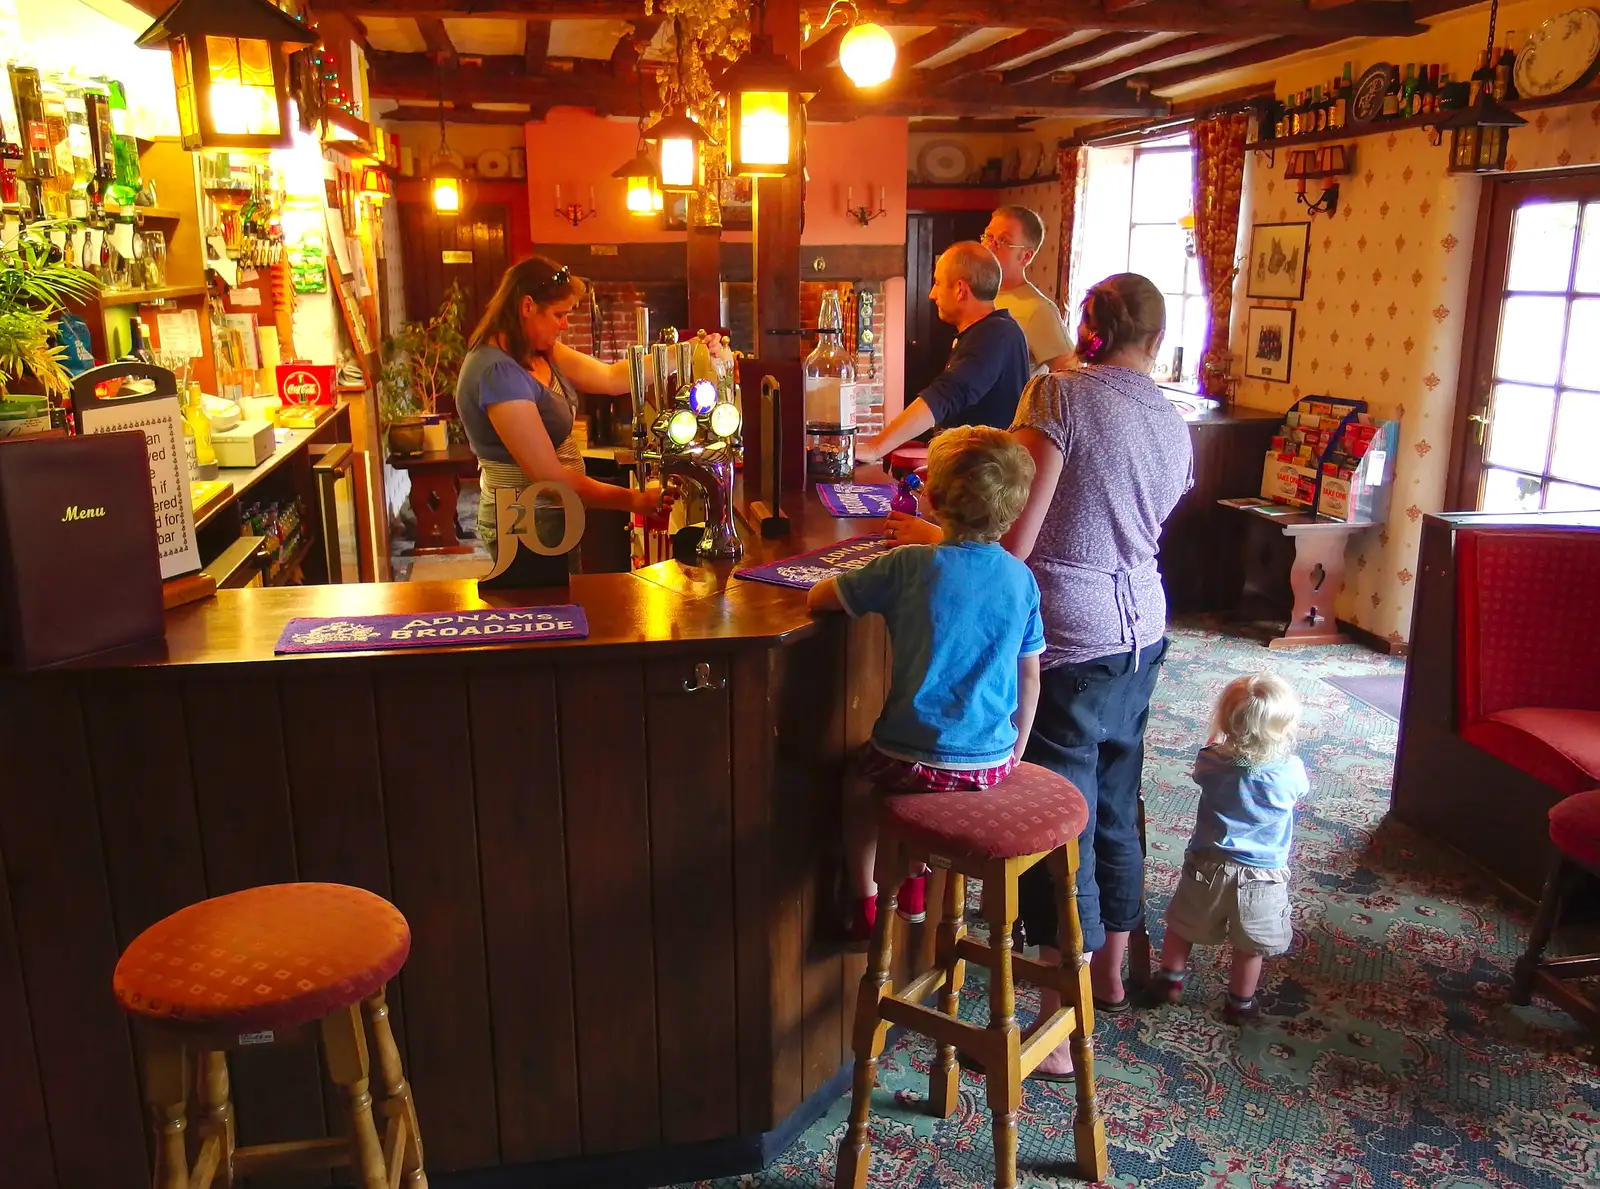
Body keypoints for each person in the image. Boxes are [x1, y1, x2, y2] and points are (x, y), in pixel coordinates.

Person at [996, 272, 1194, 1079]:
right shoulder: (1175, 420)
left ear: (1091, 325)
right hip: (1143, 624)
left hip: (1068, 635)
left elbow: (1020, 526)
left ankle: (1053, 1019)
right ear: (1155, 336)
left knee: (1055, 821)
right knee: (1115, 802)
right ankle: (1110, 971)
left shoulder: (1058, 396)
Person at [806, 426, 1044, 944]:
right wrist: (1014, 752)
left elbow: (821, 599)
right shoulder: (1021, 579)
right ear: (1016, 507)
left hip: (908, 758)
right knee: (931, 791)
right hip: (993, 761)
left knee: (858, 784)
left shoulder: (910, 564)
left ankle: (867, 896)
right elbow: (1030, 679)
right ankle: (915, 880)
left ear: (931, 500)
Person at [455, 256, 667, 554]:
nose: (565, 325)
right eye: (558, 315)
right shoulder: (498, 374)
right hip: (524, 520)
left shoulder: (539, 350)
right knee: (542, 600)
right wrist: (634, 499)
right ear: (527, 307)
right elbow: (549, 478)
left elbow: (610, 378)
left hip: (553, 512)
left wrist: (681, 354)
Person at [1152, 673, 1308, 1024]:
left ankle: (1170, 981)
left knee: (1183, 924)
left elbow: (1206, 760)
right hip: (1263, 875)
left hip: (1207, 864)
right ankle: (1240, 1003)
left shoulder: (1211, 761)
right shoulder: (1290, 771)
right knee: (1249, 944)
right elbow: (1299, 794)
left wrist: (1218, 738)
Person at [855, 242, 1030, 466]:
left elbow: (946, 395)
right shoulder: (986, 332)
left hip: (981, 487)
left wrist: (874, 448)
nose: (932, 294)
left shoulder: (996, 333)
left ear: (960, 289)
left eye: (937, 283)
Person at [985, 205, 1076, 376]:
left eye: (1003, 241)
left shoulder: (1038, 310)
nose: (990, 246)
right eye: (988, 236)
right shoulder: (980, 295)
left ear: (1026, 256)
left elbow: (1074, 377)